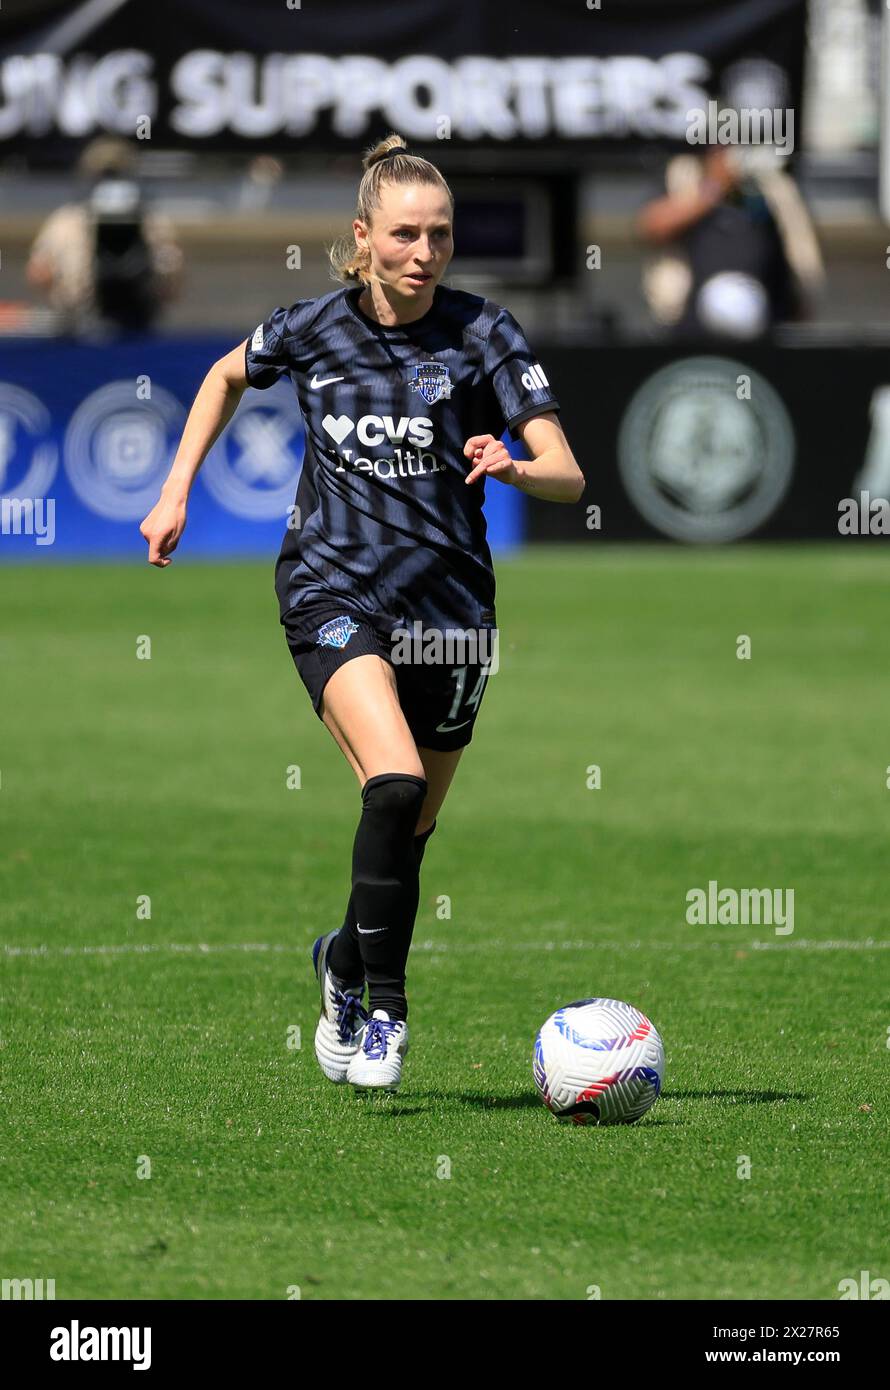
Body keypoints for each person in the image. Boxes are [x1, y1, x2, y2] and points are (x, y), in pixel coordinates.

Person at [139, 133, 585, 1093]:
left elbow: (568, 471)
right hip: (331, 590)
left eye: (440, 235)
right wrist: (176, 490)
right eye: (405, 235)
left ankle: (342, 960)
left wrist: (516, 464)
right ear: (362, 238)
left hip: (453, 611)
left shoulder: (485, 333)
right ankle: (386, 1007)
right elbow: (223, 375)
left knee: (410, 831)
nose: (423, 253)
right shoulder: (311, 327)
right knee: (390, 786)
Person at [638, 146, 823, 339]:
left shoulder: (772, 182)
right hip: (691, 330)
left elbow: (800, 253)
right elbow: (652, 226)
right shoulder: (681, 173)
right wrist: (714, 186)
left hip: (767, 329)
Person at [26, 136, 183, 337]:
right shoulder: (154, 221)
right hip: (90, 327)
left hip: (129, 327)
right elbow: (173, 286)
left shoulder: (64, 221)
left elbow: (39, 275)